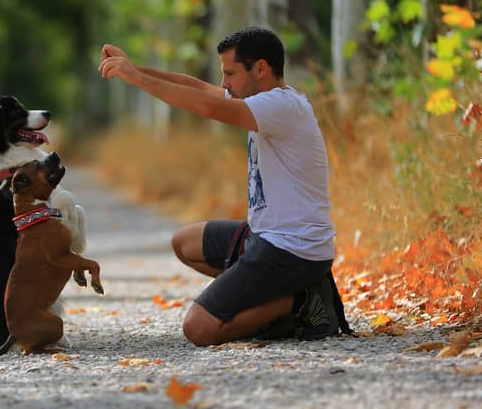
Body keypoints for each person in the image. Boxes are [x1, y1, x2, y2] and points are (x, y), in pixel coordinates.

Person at [98, 26, 350, 346]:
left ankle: (299, 302)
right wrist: (133, 68)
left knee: (200, 329)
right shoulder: (259, 98)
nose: (223, 83)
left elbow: (206, 107)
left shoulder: (282, 106)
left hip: (293, 250)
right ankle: (270, 301)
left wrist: (138, 79)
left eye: (229, 73)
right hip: (264, 235)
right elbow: (199, 89)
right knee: (185, 242)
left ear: (261, 68)